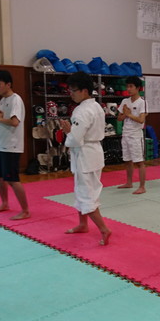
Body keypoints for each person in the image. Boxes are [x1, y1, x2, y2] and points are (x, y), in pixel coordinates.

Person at [60, 72, 112, 245]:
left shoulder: (81, 111)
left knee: (86, 195)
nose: (71, 93)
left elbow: (75, 139)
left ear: (84, 91)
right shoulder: (96, 106)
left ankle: (104, 229)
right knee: (81, 190)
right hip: (94, 152)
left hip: (85, 155)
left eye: (73, 90)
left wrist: (68, 132)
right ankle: (83, 224)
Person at [0, 69, 30, 219]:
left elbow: (14, 122)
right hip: (0, 144)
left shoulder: (15, 100)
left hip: (11, 146)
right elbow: (0, 122)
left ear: (8, 84)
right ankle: (5, 203)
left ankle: (25, 210)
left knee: (13, 179)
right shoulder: (2, 100)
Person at [116, 76, 148, 194]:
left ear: (138, 88)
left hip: (136, 136)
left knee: (139, 161)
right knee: (127, 160)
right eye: (127, 86)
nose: (128, 89)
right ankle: (129, 182)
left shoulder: (142, 102)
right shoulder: (125, 101)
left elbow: (141, 120)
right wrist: (125, 114)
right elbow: (119, 118)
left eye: (131, 86)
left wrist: (128, 114)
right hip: (126, 134)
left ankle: (142, 186)